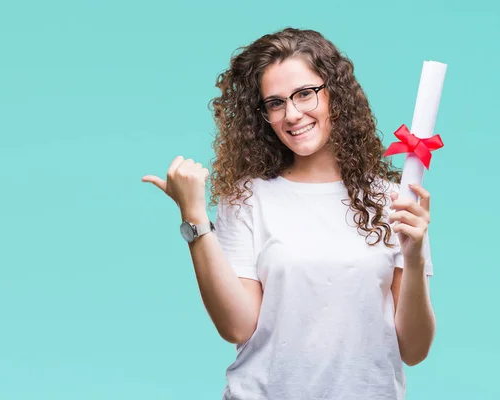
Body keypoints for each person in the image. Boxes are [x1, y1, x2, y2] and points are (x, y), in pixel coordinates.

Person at [142, 28, 436, 400]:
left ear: (335, 94)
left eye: (304, 94)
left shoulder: (393, 201)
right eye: (276, 103)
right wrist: (196, 219)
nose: (292, 114)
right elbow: (236, 325)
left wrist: (413, 258)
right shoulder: (248, 198)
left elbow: (414, 349)